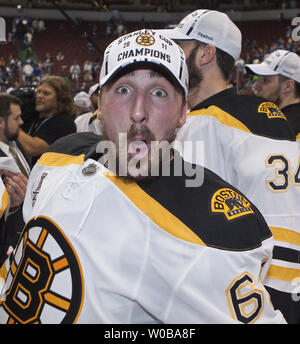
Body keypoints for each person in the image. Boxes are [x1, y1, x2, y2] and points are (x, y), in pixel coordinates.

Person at [0, 29, 285, 324]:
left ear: (183, 112)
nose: (138, 111)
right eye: (123, 90)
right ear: (100, 105)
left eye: (159, 93)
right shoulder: (58, 157)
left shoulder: (208, 229)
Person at [159, 10, 300, 323]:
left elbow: (187, 223)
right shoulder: (264, 114)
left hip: (238, 285)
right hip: (281, 278)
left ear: (206, 53)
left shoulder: (202, 124)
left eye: (182, 47)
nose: (173, 57)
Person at [17, 75, 77, 165]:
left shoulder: (65, 123)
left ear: (60, 98)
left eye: (46, 93)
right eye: (39, 92)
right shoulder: (34, 117)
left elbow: (32, 148)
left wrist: (11, 123)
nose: (39, 96)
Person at [246, 49, 300, 144]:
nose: (256, 85)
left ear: (288, 86)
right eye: (259, 79)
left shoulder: (281, 127)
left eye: (266, 80)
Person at [0, 93, 29, 266]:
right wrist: (13, 206)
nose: (21, 122)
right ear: (1, 121)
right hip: (7, 246)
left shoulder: (14, 145)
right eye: (16, 118)